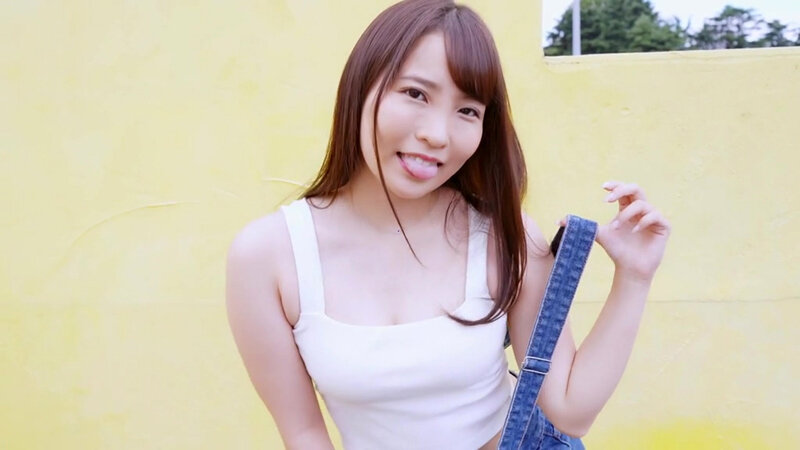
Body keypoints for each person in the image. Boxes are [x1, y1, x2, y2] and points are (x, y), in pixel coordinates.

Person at [225, 0, 671, 449]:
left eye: (468, 111)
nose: (437, 134)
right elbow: (304, 433)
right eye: (416, 94)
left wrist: (634, 277)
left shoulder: (503, 235)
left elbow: (571, 410)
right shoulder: (268, 256)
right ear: (361, 86)